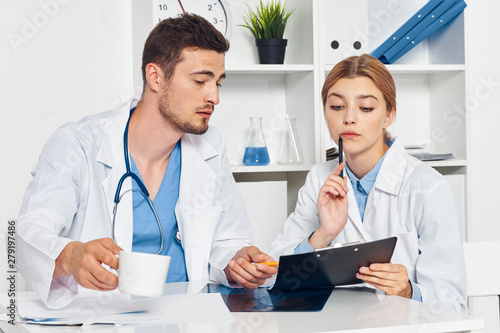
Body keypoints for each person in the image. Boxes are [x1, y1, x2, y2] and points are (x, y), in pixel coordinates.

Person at [16, 14, 277, 309]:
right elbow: (28, 233)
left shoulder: (210, 147)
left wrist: (237, 261)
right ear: (155, 77)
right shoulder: (78, 144)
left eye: (218, 82)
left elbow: (227, 240)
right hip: (105, 320)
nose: (214, 96)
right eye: (200, 81)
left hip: (188, 317)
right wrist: (70, 256)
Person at [270, 54, 467, 313]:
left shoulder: (428, 187)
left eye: (365, 108)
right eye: (337, 107)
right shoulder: (319, 179)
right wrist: (323, 235)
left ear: (388, 116)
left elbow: (454, 303)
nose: (349, 119)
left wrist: (408, 291)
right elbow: (272, 274)